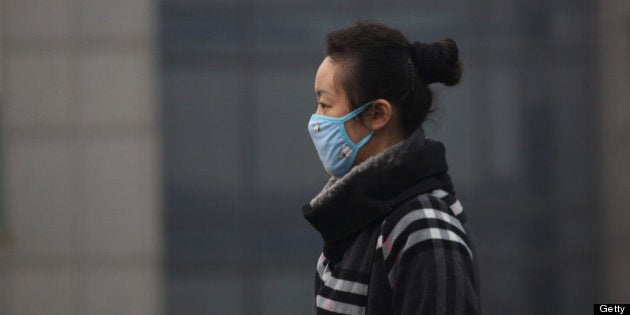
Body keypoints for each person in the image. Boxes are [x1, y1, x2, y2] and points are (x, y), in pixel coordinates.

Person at [303, 22, 481, 314]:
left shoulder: (423, 227)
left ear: (377, 114)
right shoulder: (353, 220)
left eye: (325, 104)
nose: (316, 120)